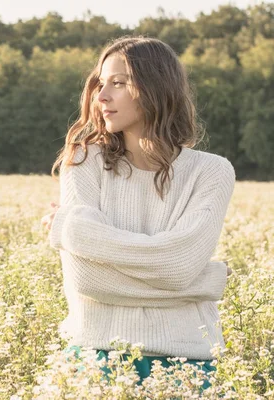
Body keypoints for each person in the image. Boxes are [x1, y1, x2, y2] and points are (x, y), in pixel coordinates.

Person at [40, 36, 235, 389]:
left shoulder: (212, 172)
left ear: (155, 88)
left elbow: (179, 265)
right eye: (101, 83)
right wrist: (202, 282)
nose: (101, 97)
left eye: (119, 83)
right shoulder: (84, 162)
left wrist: (76, 231)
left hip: (188, 364)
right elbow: (87, 280)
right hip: (95, 355)